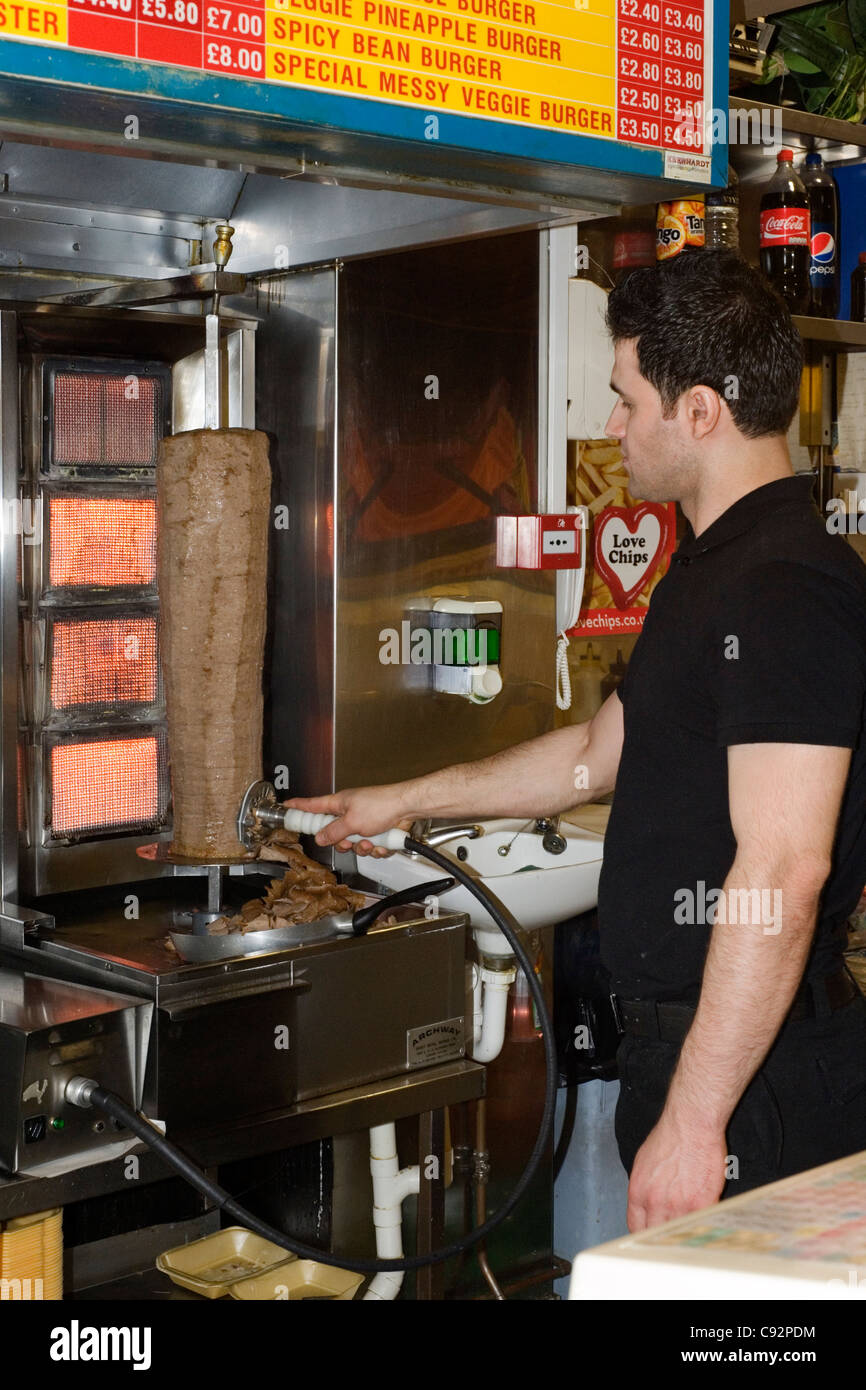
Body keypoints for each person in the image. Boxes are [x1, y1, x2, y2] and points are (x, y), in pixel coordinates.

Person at [286, 248, 866, 1232]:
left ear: (699, 412)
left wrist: (694, 1117)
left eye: (626, 398)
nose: (611, 426)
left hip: (747, 1080)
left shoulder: (780, 588)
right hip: (700, 1061)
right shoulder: (711, 568)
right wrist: (399, 799)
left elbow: (781, 869)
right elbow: (591, 757)